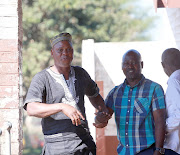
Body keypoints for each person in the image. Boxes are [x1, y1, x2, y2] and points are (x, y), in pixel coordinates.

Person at [24, 32, 110, 155]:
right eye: (60, 50)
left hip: (84, 143)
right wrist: (61, 107)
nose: (65, 53)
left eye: (69, 49)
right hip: (57, 146)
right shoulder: (42, 78)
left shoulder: (81, 74)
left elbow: (94, 95)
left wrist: (102, 112)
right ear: (52, 53)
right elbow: (31, 108)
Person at [94, 49, 166, 155]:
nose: (130, 66)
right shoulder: (115, 93)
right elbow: (101, 120)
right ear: (122, 67)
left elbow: (160, 121)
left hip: (147, 151)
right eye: (126, 63)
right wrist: (99, 119)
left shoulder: (154, 89)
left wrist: (159, 150)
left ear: (141, 64)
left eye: (134, 63)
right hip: (123, 152)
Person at [161, 48, 180, 155]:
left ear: (163, 65)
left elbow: (178, 114)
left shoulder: (174, 81)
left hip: (174, 147)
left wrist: (162, 128)